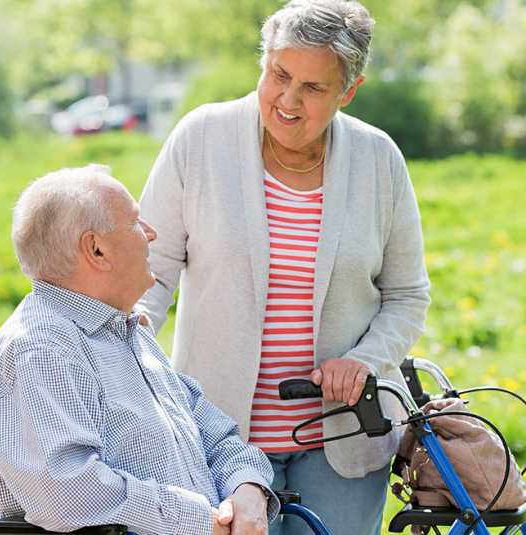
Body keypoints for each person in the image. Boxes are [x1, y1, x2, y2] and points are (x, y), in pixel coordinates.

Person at [136, 1, 430, 533]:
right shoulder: (201, 138)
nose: (288, 101)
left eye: (314, 88)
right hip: (219, 439)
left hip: (342, 442)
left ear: (349, 91)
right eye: (279, 75)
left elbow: (407, 295)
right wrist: (123, 347)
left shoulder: (379, 160)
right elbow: (149, 271)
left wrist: (365, 360)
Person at [0, 164, 278, 535]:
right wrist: (199, 521)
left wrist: (248, 490)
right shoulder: (41, 350)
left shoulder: (127, 331)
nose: (152, 234)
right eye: (136, 223)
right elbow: (68, 493)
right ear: (96, 249)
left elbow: (218, 435)